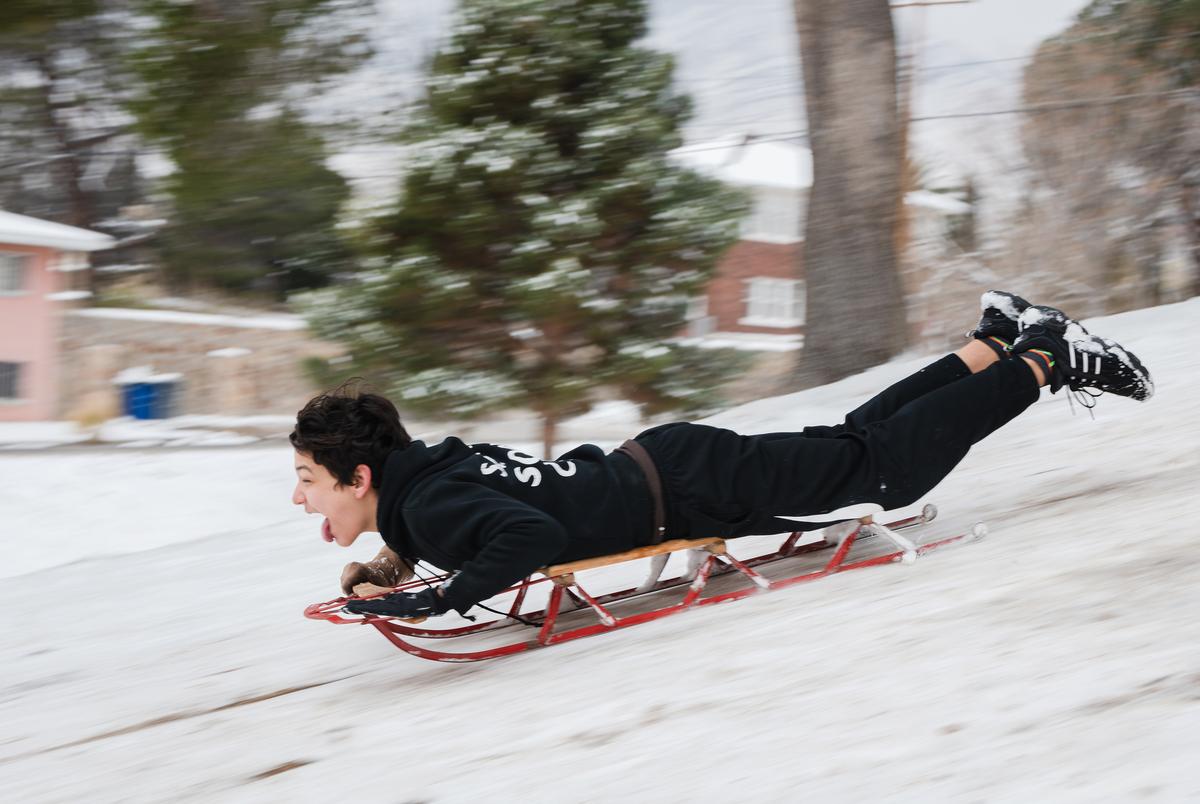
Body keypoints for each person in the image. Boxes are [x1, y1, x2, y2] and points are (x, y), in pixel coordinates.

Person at [290, 293, 1153, 620]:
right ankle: (994, 339)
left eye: (309, 480)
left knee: (887, 472)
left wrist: (436, 598)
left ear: (359, 478)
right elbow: (483, 512)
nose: (302, 498)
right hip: (668, 463)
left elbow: (515, 540)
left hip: (692, 487)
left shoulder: (432, 506)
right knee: (858, 446)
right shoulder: (428, 477)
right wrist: (399, 554)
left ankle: (1047, 357)